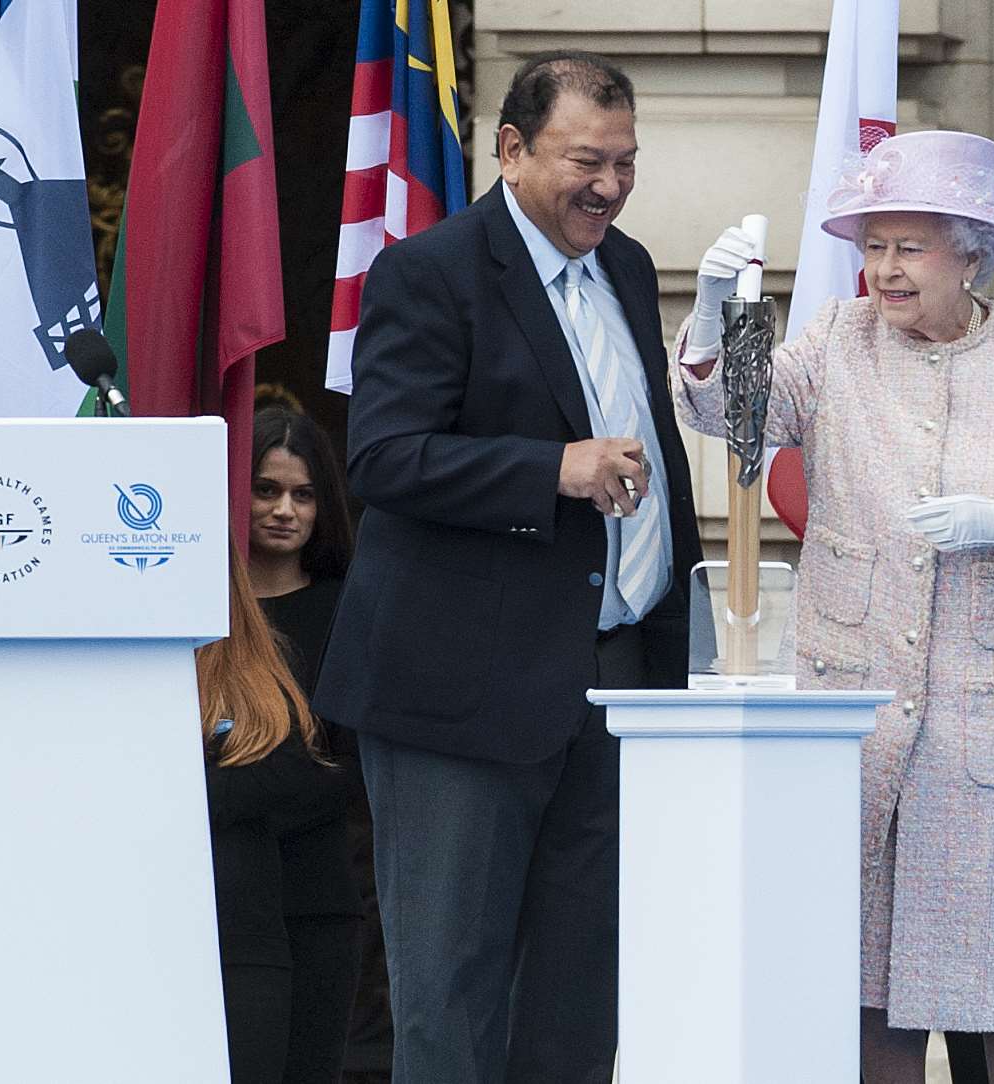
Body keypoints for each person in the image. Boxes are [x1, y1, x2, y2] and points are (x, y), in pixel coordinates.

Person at [677, 130, 994, 1082]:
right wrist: (712, 321)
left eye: (908, 247)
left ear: (970, 249)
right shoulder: (838, 342)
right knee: (868, 1025)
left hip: (988, 752)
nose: (883, 270)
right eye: (873, 245)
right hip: (855, 744)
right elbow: (739, 420)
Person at [312, 50, 703, 1082]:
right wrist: (553, 469)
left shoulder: (624, 266)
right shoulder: (429, 271)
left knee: (579, 1001)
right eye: (587, 160)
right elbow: (385, 456)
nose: (610, 186)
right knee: (452, 996)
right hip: (461, 694)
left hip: (614, 684)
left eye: (626, 162)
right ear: (513, 149)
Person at [247, 405, 390, 1083]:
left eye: (303, 495)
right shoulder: (191, 611)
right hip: (207, 896)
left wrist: (235, 791)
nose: (284, 510)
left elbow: (357, 761)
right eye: (265, 489)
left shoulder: (349, 609)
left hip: (317, 897)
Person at [200, 539, 353, 1084]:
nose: (284, 509)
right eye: (266, 490)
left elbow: (300, 768)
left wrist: (184, 796)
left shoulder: (260, 655)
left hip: (252, 931)